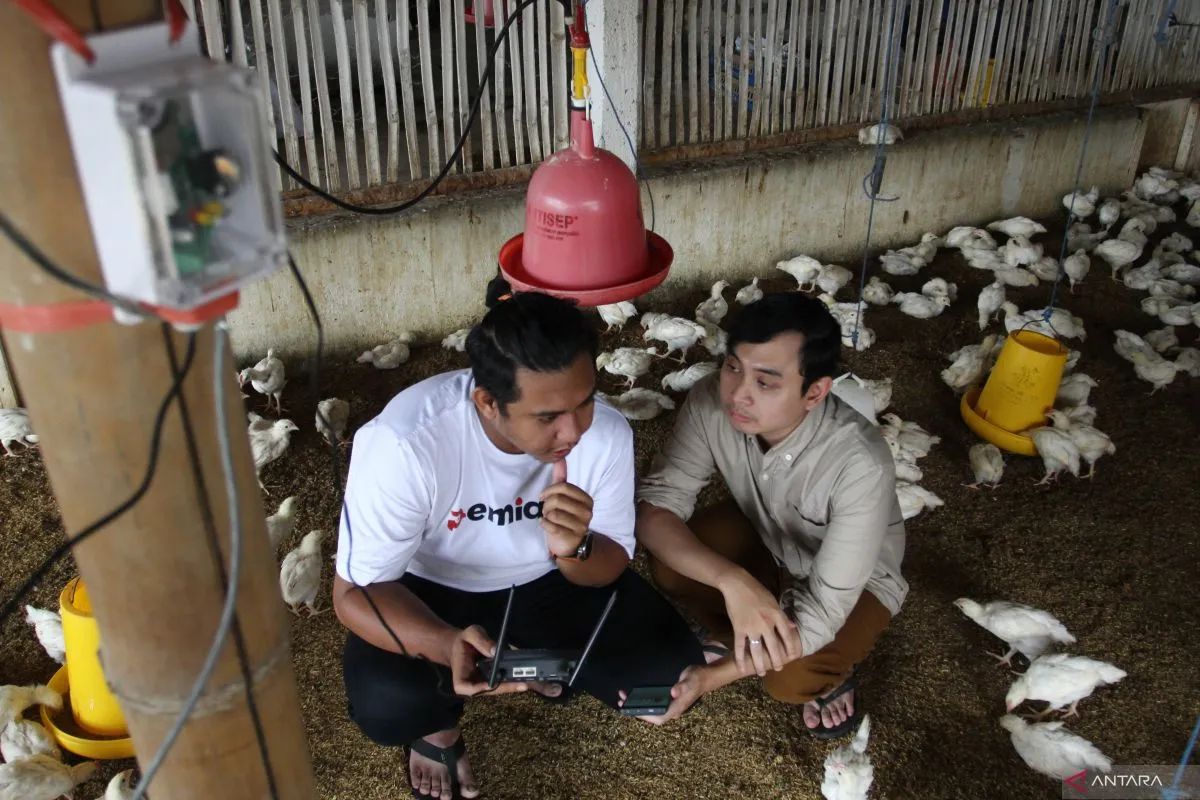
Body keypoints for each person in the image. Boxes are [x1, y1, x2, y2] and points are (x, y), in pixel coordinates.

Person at [333, 278, 703, 800]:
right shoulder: (406, 443)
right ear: (487, 402)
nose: (573, 431)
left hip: (551, 580)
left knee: (665, 677)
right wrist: (442, 642)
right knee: (388, 706)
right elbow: (355, 594)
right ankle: (439, 729)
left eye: (585, 401)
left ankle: (544, 665)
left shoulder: (606, 434)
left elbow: (611, 562)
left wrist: (573, 547)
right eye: (547, 416)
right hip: (429, 588)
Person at [633, 291, 908, 739]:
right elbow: (657, 509)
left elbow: (822, 610)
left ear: (814, 392)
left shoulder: (861, 463)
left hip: (855, 581)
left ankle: (821, 672)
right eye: (733, 368)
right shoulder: (710, 401)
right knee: (671, 562)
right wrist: (733, 582)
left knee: (790, 679)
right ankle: (742, 625)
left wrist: (712, 677)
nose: (738, 394)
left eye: (766, 382)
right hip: (768, 532)